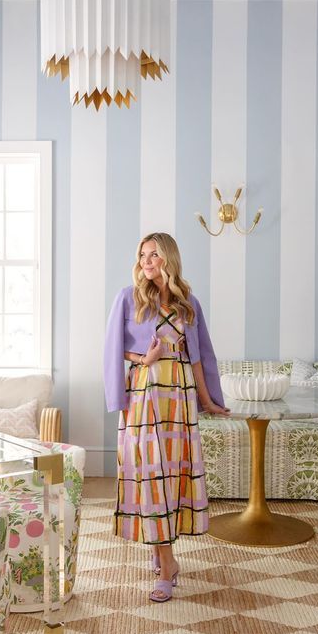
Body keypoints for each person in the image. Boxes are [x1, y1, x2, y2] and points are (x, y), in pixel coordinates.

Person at [104, 232, 229, 603]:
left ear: (168, 259)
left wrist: (209, 402)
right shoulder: (127, 298)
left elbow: (198, 357)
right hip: (143, 396)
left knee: (171, 476)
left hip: (179, 395)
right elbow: (114, 350)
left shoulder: (187, 302)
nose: (146, 260)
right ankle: (168, 563)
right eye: (142, 254)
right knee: (148, 473)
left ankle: (161, 553)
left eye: (154, 254)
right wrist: (144, 360)